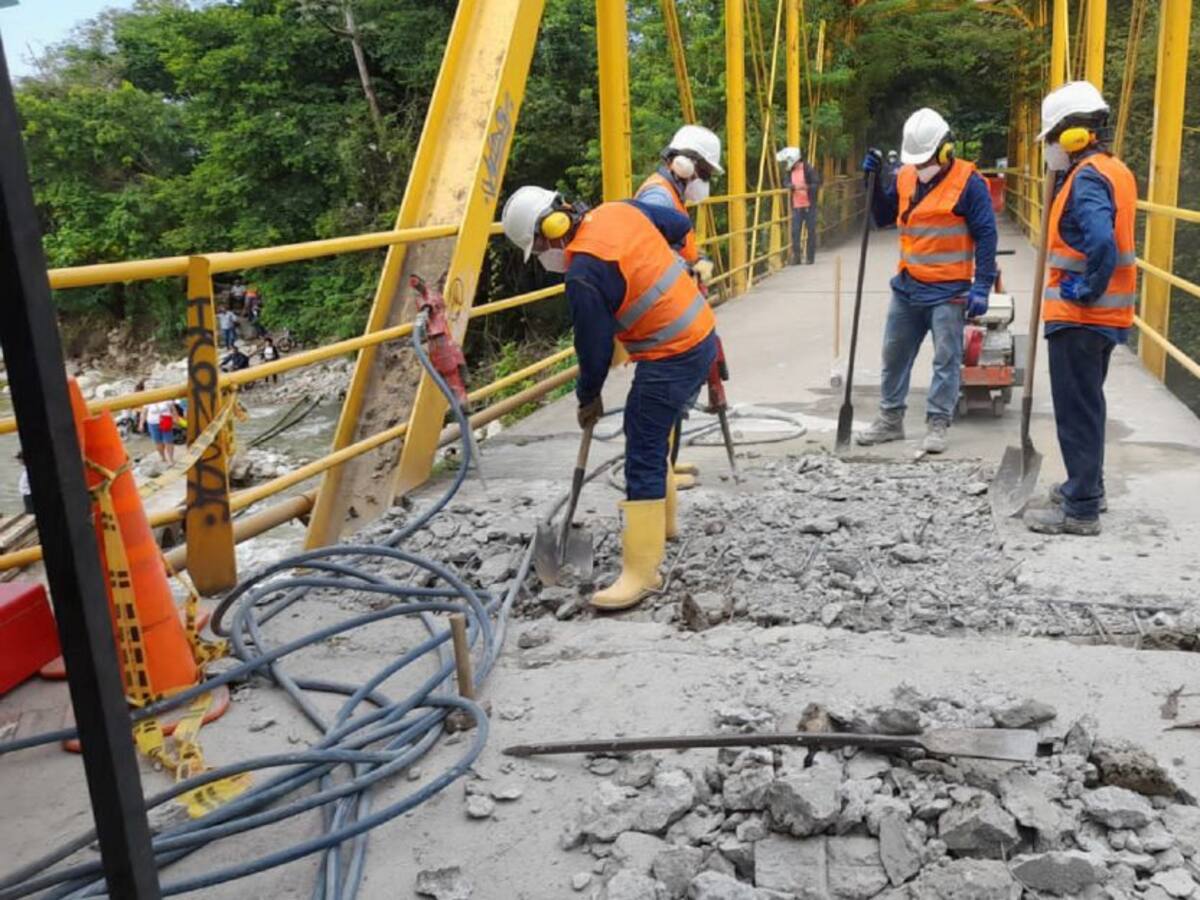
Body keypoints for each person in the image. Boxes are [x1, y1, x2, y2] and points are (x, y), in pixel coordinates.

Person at [501, 185, 717, 612]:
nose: (544, 257)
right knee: (654, 434)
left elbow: (593, 349)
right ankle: (665, 527)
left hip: (671, 352)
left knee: (642, 447)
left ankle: (642, 572)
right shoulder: (618, 210)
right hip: (701, 334)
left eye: (540, 247)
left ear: (555, 228)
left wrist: (587, 397)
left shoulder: (583, 272)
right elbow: (677, 224)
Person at [1023, 82, 1136, 537]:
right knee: (1089, 405)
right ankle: (1089, 486)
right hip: (1106, 318)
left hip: (1082, 317)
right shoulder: (1114, 170)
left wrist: (1085, 289)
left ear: (1073, 137)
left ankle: (1081, 509)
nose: (1049, 148)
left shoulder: (1087, 179)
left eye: (1052, 137)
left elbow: (1102, 242)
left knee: (1076, 410)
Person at [856, 108, 998, 454]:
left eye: (925, 161)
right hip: (907, 285)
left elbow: (986, 234)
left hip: (949, 290)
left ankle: (938, 423)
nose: (920, 168)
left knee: (946, 360)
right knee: (894, 355)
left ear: (946, 150)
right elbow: (884, 217)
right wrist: (872, 186)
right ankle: (891, 420)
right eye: (915, 162)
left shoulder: (970, 183)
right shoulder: (906, 176)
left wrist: (981, 285)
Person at [635, 124, 722, 490]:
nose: (703, 180)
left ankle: (667, 462)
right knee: (669, 391)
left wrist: (695, 258)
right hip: (662, 312)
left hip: (676, 303)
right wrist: (688, 267)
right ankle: (661, 472)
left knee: (679, 388)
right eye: (703, 173)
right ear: (684, 164)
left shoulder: (671, 193)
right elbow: (653, 255)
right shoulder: (658, 197)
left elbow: (677, 243)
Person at [786, 151, 822, 264]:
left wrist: (806, 187)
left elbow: (817, 183)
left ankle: (810, 257)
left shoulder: (808, 169)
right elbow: (785, 182)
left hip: (808, 205)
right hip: (796, 206)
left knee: (811, 231)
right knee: (795, 232)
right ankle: (797, 257)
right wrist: (790, 186)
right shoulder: (789, 171)